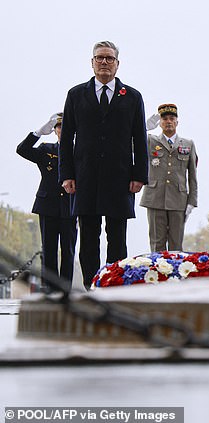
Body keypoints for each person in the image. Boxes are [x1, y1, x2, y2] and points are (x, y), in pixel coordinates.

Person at [59, 41, 148, 290]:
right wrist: (66, 174)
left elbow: (139, 138)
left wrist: (139, 175)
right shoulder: (76, 95)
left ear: (118, 64)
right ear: (92, 62)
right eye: (99, 58)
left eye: (110, 58)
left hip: (119, 178)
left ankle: (115, 285)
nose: (104, 62)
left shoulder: (132, 96)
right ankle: (91, 286)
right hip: (84, 176)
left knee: (117, 237)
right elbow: (66, 138)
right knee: (88, 237)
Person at [16, 113, 77, 293]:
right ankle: (49, 287)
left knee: (68, 250)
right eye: (59, 127)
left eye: (65, 127)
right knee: (48, 249)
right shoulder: (46, 149)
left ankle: (65, 288)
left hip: (70, 205)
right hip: (48, 204)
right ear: (55, 130)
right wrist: (37, 133)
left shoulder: (79, 152)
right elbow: (22, 150)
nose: (62, 130)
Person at [141, 104, 198, 252]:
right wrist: (142, 128)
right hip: (155, 198)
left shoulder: (188, 144)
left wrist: (192, 201)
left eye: (172, 118)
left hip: (178, 200)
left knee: (176, 245)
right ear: (159, 122)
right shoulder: (149, 141)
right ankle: (157, 275)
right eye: (164, 118)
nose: (168, 121)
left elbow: (192, 176)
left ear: (177, 122)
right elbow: (129, 145)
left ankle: (175, 276)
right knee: (156, 245)